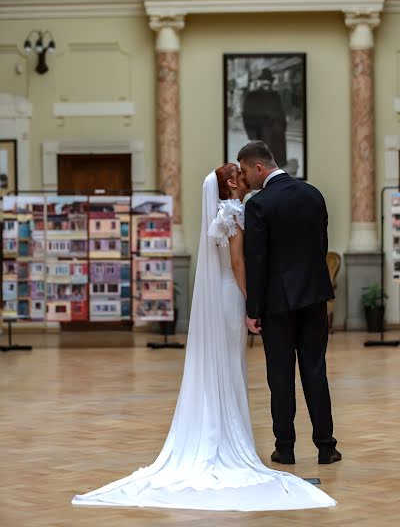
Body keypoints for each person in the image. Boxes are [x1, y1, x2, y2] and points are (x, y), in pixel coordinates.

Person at [72, 163, 336, 511]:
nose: (246, 178)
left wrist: (255, 303)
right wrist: (250, 302)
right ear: (230, 183)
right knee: (301, 370)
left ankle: (279, 445)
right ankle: (319, 444)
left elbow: (247, 258)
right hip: (265, 294)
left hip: (240, 296)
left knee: (271, 373)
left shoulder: (234, 211)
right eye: (240, 175)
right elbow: (243, 263)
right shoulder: (252, 208)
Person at [238, 140, 341, 466]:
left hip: (278, 303)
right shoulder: (313, 194)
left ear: (258, 167)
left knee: (280, 376)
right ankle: (327, 447)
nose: (245, 179)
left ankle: (286, 448)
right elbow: (321, 245)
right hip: (313, 298)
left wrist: (253, 310)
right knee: (315, 370)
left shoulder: (259, 204)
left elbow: (257, 261)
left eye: (245, 171)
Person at [242, 67, 287, 167]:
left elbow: (281, 113)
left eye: (268, 80)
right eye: (264, 80)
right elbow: (247, 116)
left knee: (276, 165)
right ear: (260, 81)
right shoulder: (252, 96)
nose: (266, 83)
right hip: (260, 133)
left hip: (277, 135)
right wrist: (251, 135)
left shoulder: (276, 95)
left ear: (271, 82)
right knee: (261, 164)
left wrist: (282, 127)